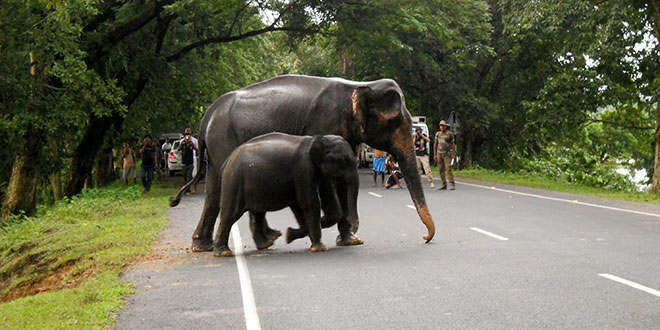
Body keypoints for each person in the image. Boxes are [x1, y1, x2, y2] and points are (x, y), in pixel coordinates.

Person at [433, 120, 456, 190]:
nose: (442, 127)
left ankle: (452, 183)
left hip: (447, 153)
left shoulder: (449, 134)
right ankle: (444, 183)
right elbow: (435, 144)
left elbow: (453, 144)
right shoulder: (438, 134)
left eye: (443, 125)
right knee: (440, 169)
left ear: (446, 126)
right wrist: (434, 154)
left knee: (448, 168)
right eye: (440, 125)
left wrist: (453, 154)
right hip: (439, 153)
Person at [178, 131, 197, 195]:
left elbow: (196, 149)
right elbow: (178, 149)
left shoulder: (192, 143)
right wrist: (183, 142)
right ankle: (185, 189)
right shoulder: (182, 143)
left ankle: (187, 191)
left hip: (190, 163)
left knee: (189, 177)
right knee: (185, 177)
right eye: (186, 135)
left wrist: (191, 142)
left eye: (188, 135)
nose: (187, 137)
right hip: (184, 163)